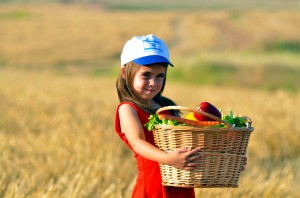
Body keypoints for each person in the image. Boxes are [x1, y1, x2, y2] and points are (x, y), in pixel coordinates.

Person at [115, 34, 202, 198]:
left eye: (159, 76)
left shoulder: (166, 107)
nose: (153, 83)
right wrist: (169, 159)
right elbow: (137, 142)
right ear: (125, 73)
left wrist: (227, 157)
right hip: (153, 188)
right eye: (146, 75)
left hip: (180, 185)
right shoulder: (128, 109)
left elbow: (186, 142)